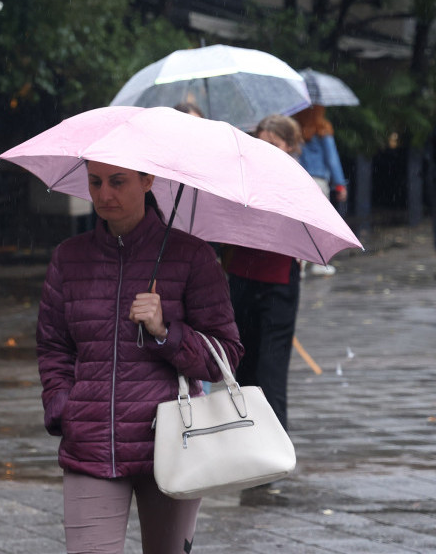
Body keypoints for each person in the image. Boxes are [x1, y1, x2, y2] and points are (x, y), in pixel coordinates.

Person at [36, 159, 241, 554]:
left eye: (117, 182)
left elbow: (226, 356)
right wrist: (65, 407)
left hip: (171, 444)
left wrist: (167, 331)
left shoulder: (193, 257)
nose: (103, 194)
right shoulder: (69, 258)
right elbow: (53, 346)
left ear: (148, 181)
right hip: (91, 447)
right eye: (95, 182)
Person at [222, 114, 303, 431]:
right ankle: (246, 441)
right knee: (242, 369)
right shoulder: (241, 179)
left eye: (273, 144)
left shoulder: (298, 182)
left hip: (279, 284)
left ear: (289, 146)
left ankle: (276, 447)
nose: (265, 149)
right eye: (260, 142)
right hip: (240, 279)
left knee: (271, 372)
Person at [293, 105, 347, 276]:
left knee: (300, 224)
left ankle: (299, 265)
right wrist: (339, 184)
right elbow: (332, 158)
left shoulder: (294, 128)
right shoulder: (322, 128)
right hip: (319, 181)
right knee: (319, 223)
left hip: (298, 178)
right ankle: (319, 263)